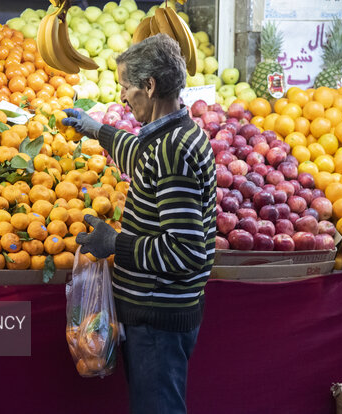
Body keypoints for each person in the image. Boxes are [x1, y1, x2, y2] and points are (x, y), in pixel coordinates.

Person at [62, 34, 216, 414]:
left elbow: (186, 252)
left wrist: (115, 244)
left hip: (158, 319)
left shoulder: (173, 151)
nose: (123, 97)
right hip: (159, 312)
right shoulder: (177, 133)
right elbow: (141, 157)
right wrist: (96, 129)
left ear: (150, 86)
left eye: (126, 87)